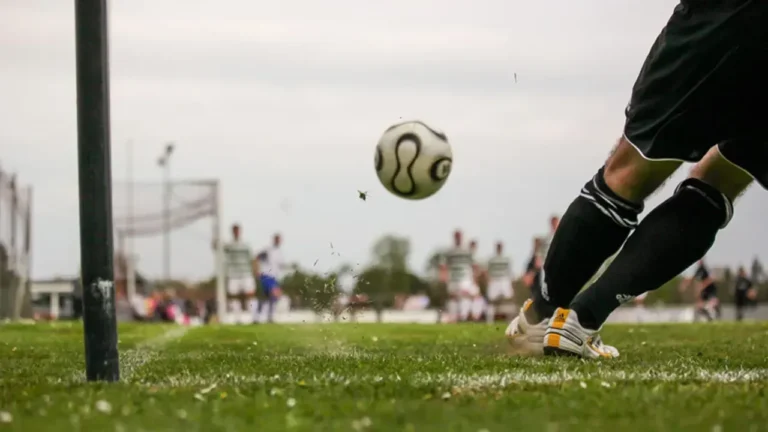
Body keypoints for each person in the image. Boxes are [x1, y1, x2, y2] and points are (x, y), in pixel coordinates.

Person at [510, 0, 768, 358]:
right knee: (723, 178)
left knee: (629, 172)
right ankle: (579, 321)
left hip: (724, 13)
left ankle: (543, 317)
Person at [223, 224, 257, 324]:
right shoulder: (228, 245)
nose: (236, 232)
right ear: (232, 232)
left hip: (246, 273)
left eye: (238, 230)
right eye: (234, 231)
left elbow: (252, 258)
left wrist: (255, 270)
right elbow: (219, 250)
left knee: (250, 294)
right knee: (234, 296)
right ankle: (237, 318)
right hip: (233, 274)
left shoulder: (246, 244)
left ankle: (254, 317)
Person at [441, 230, 476, 322]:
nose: (458, 238)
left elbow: (473, 264)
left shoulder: (467, 250)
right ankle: (453, 317)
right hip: (453, 278)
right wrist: (443, 275)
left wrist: (474, 277)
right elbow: (445, 265)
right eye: (456, 236)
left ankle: (464, 316)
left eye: (459, 236)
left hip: (465, 277)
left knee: (465, 295)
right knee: (453, 297)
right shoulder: (450, 251)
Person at [257, 233, 286, 323]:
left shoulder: (280, 252)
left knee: (268, 298)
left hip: (274, 277)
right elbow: (257, 257)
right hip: (266, 275)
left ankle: (265, 317)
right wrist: (257, 270)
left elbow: (280, 265)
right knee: (275, 294)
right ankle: (264, 317)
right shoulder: (268, 250)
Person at [486, 241, 513, 323]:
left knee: (508, 299)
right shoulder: (492, 260)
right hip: (494, 280)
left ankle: (510, 320)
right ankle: (489, 321)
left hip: (504, 280)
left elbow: (509, 271)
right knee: (491, 301)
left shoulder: (506, 259)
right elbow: (488, 271)